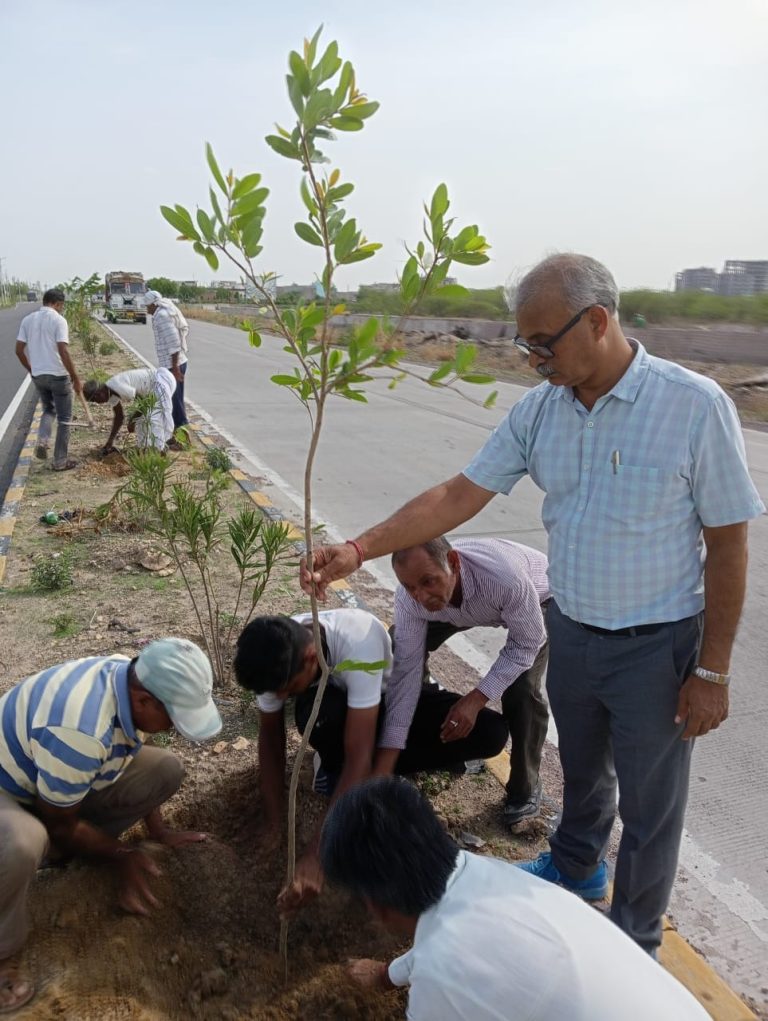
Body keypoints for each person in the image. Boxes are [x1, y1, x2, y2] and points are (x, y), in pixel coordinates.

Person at [302, 253, 765, 955]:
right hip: (573, 632)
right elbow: (457, 495)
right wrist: (360, 548)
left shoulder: (694, 405)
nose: (531, 356)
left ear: (599, 321)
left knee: (650, 807)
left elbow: (729, 546)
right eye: (524, 341)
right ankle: (576, 868)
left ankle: (634, 940)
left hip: (658, 644)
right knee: (581, 772)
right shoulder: (541, 410)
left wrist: (713, 669)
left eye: (543, 341)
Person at [320, 777, 711, 1021]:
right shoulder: (492, 876)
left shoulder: (441, 983)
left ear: (375, 904)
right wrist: (387, 976)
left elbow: (446, 965)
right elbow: (451, 952)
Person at [233, 608, 506, 917]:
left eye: (287, 689)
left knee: (491, 733)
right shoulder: (271, 656)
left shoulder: (357, 638)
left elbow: (359, 758)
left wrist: (317, 857)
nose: (281, 697)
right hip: (335, 713)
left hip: (392, 702)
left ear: (311, 657)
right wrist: (273, 820)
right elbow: (270, 740)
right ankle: (333, 767)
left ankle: (376, 775)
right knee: (321, 715)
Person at [0, 637, 222, 1013]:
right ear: (144, 701)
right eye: (173, 717)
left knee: (166, 768)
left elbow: (132, 748)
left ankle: (71, 846)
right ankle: (4, 951)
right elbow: (59, 825)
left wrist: (159, 832)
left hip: (53, 778)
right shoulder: (80, 732)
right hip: (9, 786)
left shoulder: (132, 674)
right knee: (25, 841)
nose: (173, 728)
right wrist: (122, 854)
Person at [380, 535, 550, 827]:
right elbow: (406, 670)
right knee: (399, 646)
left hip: (538, 600)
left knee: (521, 691)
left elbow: (527, 642)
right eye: (410, 587)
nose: (419, 596)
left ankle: (525, 787)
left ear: (454, 563)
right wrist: (389, 756)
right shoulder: (414, 597)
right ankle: (442, 738)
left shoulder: (503, 578)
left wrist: (477, 698)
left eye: (427, 581)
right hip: (456, 603)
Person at [14, 288, 83, 471]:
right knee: (65, 418)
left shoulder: (27, 320)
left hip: (39, 375)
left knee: (49, 410)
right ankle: (60, 461)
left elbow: (19, 350)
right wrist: (75, 378)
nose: (61, 309)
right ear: (58, 304)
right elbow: (63, 350)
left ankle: (43, 440)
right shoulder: (59, 321)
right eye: (61, 306)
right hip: (58, 376)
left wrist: (31, 369)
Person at [83, 366, 177, 453]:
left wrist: (132, 420)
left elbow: (143, 402)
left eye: (96, 400)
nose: (98, 403)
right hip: (151, 391)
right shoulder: (110, 393)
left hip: (161, 381)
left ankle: (160, 451)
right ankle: (144, 449)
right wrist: (110, 441)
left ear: (99, 393)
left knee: (153, 420)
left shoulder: (117, 386)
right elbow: (119, 417)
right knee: (141, 422)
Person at [144, 290, 189, 442]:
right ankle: (175, 436)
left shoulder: (162, 316)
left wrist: (175, 368)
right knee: (172, 401)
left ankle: (182, 438)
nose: (146, 309)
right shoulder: (160, 314)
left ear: (153, 304)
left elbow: (175, 343)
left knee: (175, 402)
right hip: (171, 365)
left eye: (148, 306)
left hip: (173, 366)